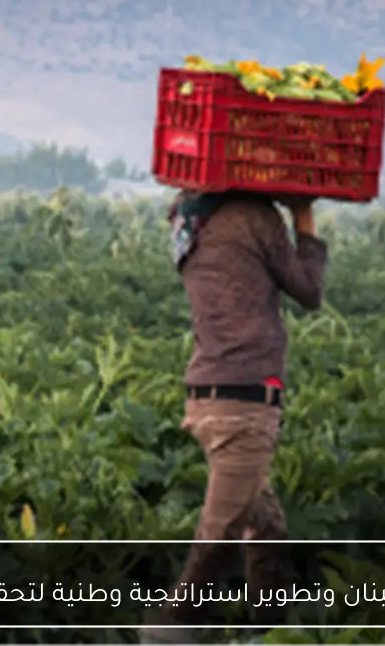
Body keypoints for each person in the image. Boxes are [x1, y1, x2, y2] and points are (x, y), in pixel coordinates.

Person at [140, 189, 328, 645]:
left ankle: (266, 629)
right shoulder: (252, 216)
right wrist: (303, 216)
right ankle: (172, 628)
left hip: (207, 397)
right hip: (244, 401)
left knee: (264, 527)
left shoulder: (188, 219)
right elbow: (309, 290)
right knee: (220, 532)